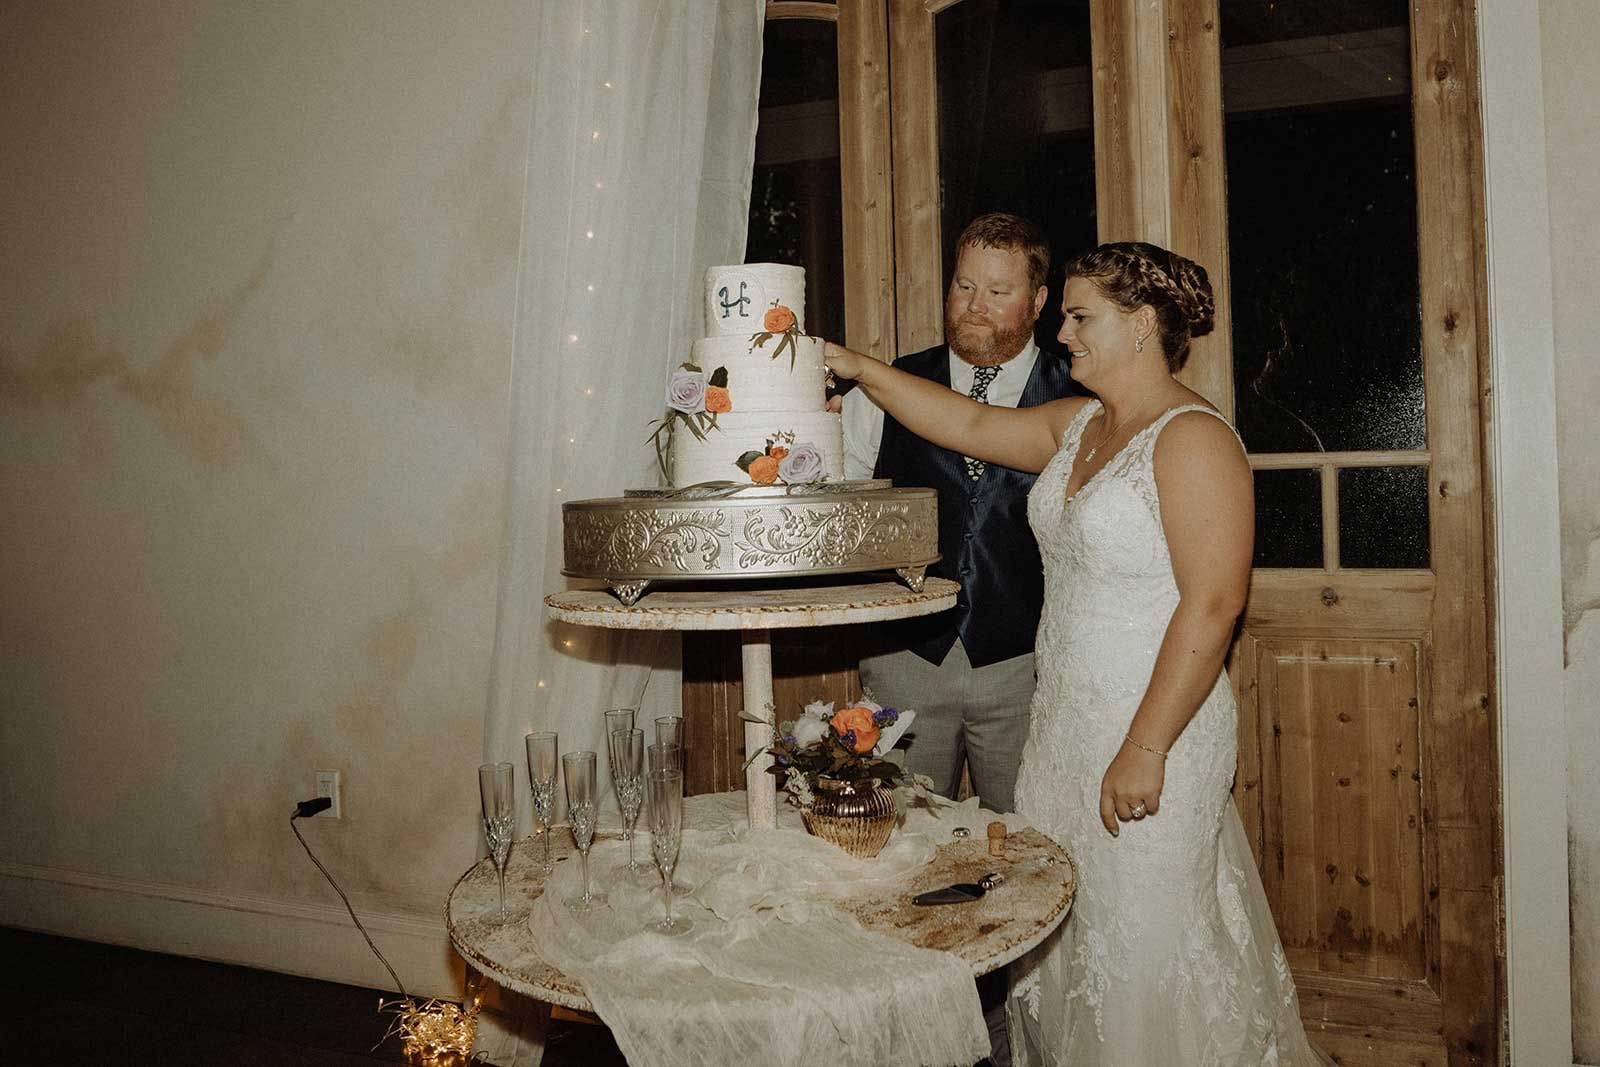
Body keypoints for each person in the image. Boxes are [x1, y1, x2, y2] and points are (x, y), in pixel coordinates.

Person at [824, 242, 1331, 1065]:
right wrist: (860, 368)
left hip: (1150, 733)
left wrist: (1146, 744)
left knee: (1143, 952)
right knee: (1065, 944)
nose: (1063, 333)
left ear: (1140, 325)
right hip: (1061, 735)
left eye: (1080, 315)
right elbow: (972, 423)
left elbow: (1213, 605)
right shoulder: (1082, 424)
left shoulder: (1194, 438)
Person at [838, 212, 1076, 817]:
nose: (974, 306)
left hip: (1028, 664)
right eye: (964, 286)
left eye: (998, 292)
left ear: (1039, 301)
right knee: (899, 844)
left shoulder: (1080, 397)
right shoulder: (885, 388)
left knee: (1029, 846)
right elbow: (842, 512)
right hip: (906, 660)